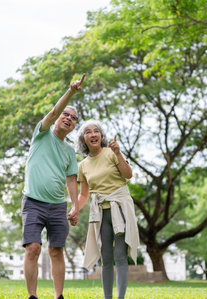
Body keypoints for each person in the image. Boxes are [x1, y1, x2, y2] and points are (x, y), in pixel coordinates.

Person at [21, 74, 85, 299]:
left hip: (57, 206)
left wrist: (75, 207)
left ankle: (59, 297)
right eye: (66, 114)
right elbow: (53, 113)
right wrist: (71, 91)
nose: (68, 118)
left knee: (57, 250)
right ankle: (33, 296)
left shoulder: (69, 151)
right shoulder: (42, 133)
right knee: (33, 248)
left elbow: (71, 180)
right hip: (33, 201)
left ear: (75, 126)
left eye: (73, 118)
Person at [75, 120, 140, 299]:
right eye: (88, 132)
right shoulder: (83, 166)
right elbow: (84, 195)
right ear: (83, 139)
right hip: (101, 213)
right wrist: (74, 210)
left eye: (96, 131)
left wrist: (118, 153)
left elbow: (128, 175)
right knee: (106, 258)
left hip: (119, 208)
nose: (93, 134)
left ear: (101, 136)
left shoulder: (112, 153)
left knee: (120, 255)